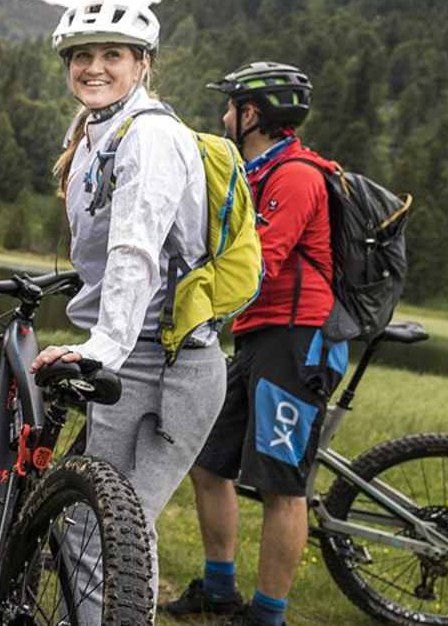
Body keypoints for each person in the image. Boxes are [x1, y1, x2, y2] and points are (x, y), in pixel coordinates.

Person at [32, 1, 228, 624]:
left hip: (172, 366)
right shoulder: (93, 134)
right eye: (81, 56)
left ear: (143, 63)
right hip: (135, 357)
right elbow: (101, 251)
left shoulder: (150, 136)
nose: (94, 67)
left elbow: (135, 249)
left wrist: (100, 350)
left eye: (112, 55)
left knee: (112, 528)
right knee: (93, 521)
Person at [161, 61, 341, 626]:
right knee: (210, 463)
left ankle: (267, 616)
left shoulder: (296, 177)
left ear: (252, 114)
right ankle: (219, 591)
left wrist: (191, 301)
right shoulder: (258, 170)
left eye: (230, 106)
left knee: (282, 486)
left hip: (298, 341)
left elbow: (259, 261)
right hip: (260, 338)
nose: (223, 116)